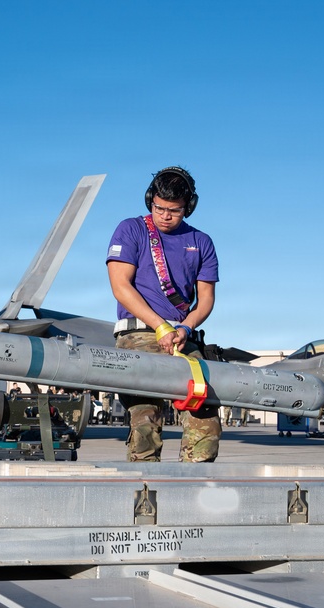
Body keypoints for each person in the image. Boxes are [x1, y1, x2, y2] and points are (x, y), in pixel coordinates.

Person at [106, 166, 221, 462]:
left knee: (204, 410)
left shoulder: (202, 242)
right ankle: (144, 491)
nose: (165, 216)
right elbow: (120, 286)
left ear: (189, 208)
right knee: (146, 419)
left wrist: (185, 328)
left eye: (174, 210)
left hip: (182, 338)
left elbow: (206, 299)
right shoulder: (131, 229)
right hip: (139, 334)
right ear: (150, 201)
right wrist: (160, 326)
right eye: (159, 208)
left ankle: (195, 485)